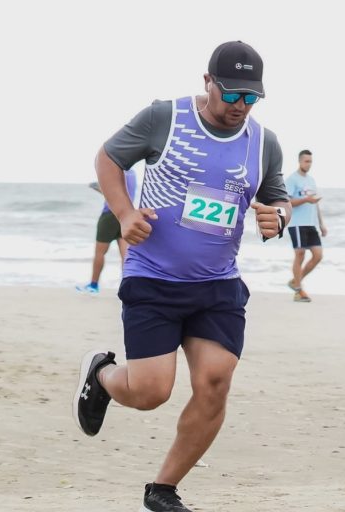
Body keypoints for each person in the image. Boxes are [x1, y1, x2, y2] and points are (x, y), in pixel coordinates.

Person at [73, 41, 291, 512]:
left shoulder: (264, 141)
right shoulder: (164, 118)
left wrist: (279, 216)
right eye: (231, 95)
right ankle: (103, 375)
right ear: (208, 82)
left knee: (215, 381)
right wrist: (125, 211)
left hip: (217, 284)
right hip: (153, 277)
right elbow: (108, 159)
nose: (240, 107)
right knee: (151, 392)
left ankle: (163, 490)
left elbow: (275, 194)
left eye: (251, 98)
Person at [76, 171, 137, 294]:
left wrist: (96, 187)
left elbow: (109, 192)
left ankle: (93, 286)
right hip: (126, 215)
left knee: (100, 252)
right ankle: (127, 287)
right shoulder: (132, 173)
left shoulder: (116, 171)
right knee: (125, 255)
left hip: (110, 214)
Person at [285, 149, 327, 302]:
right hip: (297, 224)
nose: (308, 164)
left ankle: (296, 281)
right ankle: (298, 291)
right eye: (306, 161)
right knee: (300, 255)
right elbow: (287, 202)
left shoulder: (311, 180)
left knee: (318, 255)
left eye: (310, 162)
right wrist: (306, 200)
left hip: (311, 224)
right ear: (300, 161)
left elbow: (315, 204)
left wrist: (321, 224)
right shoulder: (292, 179)